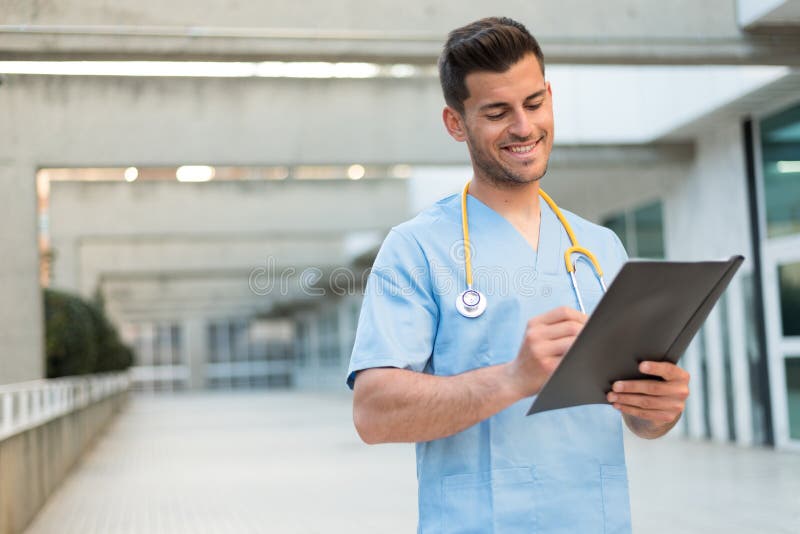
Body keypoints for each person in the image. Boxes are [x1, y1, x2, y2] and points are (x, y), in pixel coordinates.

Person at [346, 16, 690, 534]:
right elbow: (373, 413)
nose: (524, 127)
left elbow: (642, 421)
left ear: (550, 97)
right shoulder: (416, 249)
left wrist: (657, 410)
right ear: (455, 123)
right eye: (497, 112)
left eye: (534, 103)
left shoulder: (600, 249)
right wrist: (510, 379)